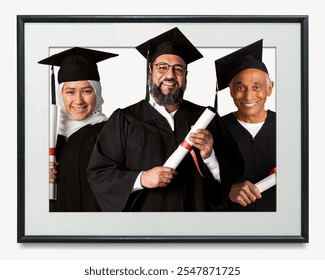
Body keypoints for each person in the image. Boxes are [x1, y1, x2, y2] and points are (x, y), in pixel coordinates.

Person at [87, 27, 243, 212]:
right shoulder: (125, 119)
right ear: (149, 72)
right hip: (145, 229)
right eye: (162, 67)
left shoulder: (206, 119)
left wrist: (210, 156)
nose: (170, 75)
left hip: (194, 226)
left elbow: (233, 177)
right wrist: (142, 179)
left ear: (185, 76)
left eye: (178, 69)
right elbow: (99, 174)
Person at [38, 47, 118, 211]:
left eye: (87, 91)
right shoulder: (46, 135)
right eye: (70, 92)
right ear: (60, 94)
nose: (78, 100)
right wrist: (37, 179)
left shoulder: (112, 132)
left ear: (97, 92)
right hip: (52, 229)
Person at [214, 39, 276, 211]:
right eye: (240, 87)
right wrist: (226, 189)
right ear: (231, 90)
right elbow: (197, 182)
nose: (249, 96)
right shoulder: (215, 130)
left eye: (257, 87)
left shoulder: (290, 127)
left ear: (269, 88)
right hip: (231, 226)